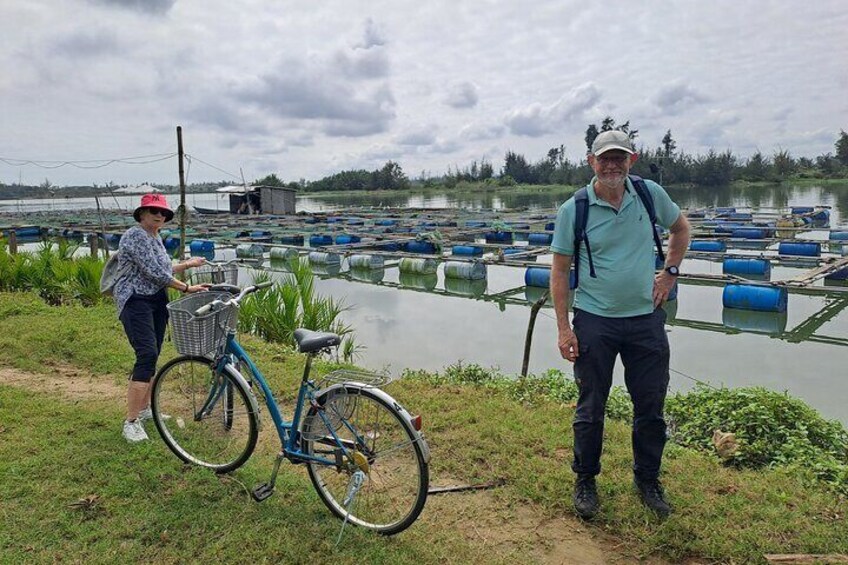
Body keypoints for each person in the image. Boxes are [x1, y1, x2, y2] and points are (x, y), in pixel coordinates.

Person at [549, 130, 690, 519]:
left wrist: (670, 273)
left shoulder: (649, 195)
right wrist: (564, 328)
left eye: (620, 158)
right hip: (595, 321)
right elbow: (560, 272)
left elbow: (681, 229)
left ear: (633, 158)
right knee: (591, 407)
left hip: (645, 319)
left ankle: (647, 479)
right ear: (591, 161)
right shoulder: (573, 209)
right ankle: (585, 480)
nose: (612, 165)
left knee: (650, 406)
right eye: (604, 158)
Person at [115, 193, 209, 443]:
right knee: (145, 355)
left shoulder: (155, 237)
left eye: (163, 213)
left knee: (154, 354)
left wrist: (189, 264)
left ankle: (146, 410)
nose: (159, 216)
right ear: (142, 214)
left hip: (156, 299)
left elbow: (164, 267)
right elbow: (156, 272)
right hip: (135, 300)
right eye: (153, 211)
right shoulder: (135, 236)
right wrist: (187, 289)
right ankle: (131, 422)